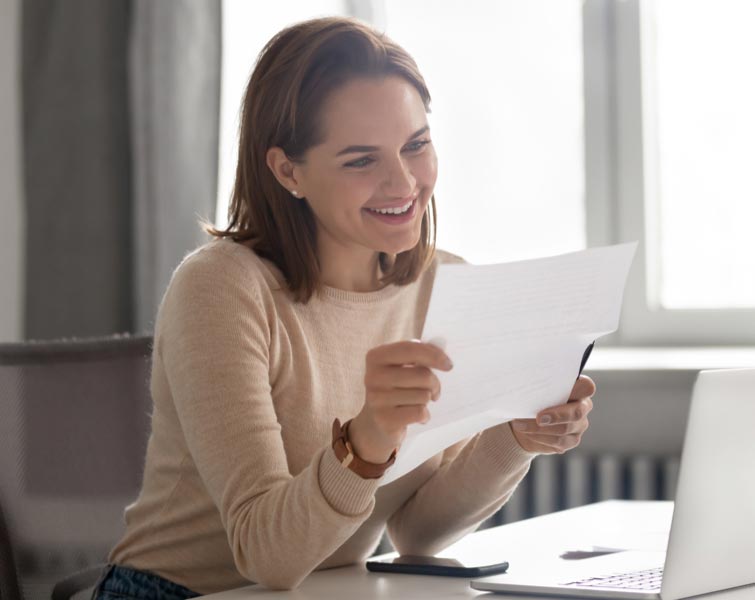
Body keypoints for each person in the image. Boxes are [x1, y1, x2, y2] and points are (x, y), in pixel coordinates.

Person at [95, 16, 595, 599]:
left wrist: (515, 435)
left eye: (417, 145)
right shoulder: (221, 288)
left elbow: (418, 532)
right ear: (287, 171)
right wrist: (366, 438)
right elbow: (266, 555)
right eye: (362, 161)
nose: (403, 182)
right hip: (179, 592)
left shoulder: (444, 284)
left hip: (334, 589)